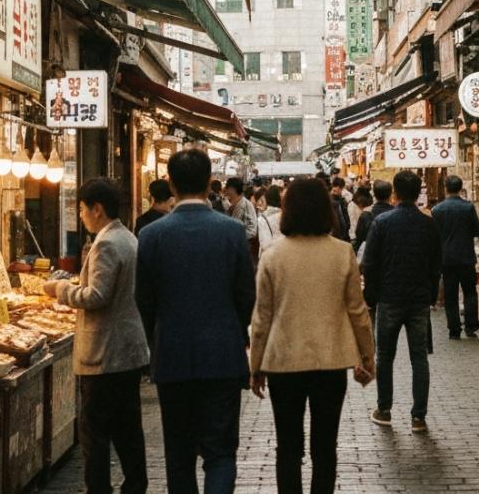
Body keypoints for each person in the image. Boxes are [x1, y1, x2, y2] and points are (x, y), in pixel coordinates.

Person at [136, 149, 256, 494]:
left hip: (172, 356)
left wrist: (157, 337)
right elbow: (246, 295)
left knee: (179, 454)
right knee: (220, 452)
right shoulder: (231, 232)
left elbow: (144, 300)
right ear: (208, 183)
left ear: (171, 183)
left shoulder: (152, 235)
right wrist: (237, 333)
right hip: (223, 356)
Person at [249, 178, 375, 494]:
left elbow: (262, 316)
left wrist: (255, 365)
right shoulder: (342, 252)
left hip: (283, 362)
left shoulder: (273, 256)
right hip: (330, 362)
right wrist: (367, 356)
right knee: (325, 447)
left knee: (287, 447)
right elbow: (357, 311)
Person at [44, 178, 151, 494]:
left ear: (97, 208)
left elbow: (96, 296)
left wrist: (60, 289)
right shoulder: (128, 238)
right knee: (127, 429)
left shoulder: (106, 243)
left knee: (95, 432)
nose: (80, 215)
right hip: (126, 352)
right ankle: (135, 484)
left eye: (81, 208)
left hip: (105, 354)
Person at [363, 171, 440, 432]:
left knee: (385, 356)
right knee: (419, 357)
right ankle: (419, 416)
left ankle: (384, 409)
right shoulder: (428, 224)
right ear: (418, 193)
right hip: (418, 299)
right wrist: (430, 295)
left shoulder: (382, 223)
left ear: (395, 192)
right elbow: (435, 264)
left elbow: (370, 264)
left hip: (389, 298)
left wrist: (371, 297)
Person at [432, 176, 479, 340]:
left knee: (450, 295)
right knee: (470, 292)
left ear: (446, 188)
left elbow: (433, 235)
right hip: (466, 256)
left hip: (446, 258)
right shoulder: (468, 207)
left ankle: (454, 329)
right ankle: (471, 326)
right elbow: (476, 230)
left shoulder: (437, 210)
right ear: (461, 188)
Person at [354, 180, 394, 255]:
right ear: (390, 195)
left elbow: (359, 237)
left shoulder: (366, 214)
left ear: (374, 195)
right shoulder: (396, 214)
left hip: (371, 255)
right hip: (391, 256)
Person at [225, 176, 260, 264]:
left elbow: (252, 230)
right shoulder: (232, 205)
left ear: (232, 189)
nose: (226, 191)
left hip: (244, 250)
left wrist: (238, 236)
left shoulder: (246, 205)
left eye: (227, 188)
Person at [329, 177, 352, 244]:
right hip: (338, 234)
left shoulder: (341, 200)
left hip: (337, 234)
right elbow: (342, 219)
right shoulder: (337, 201)